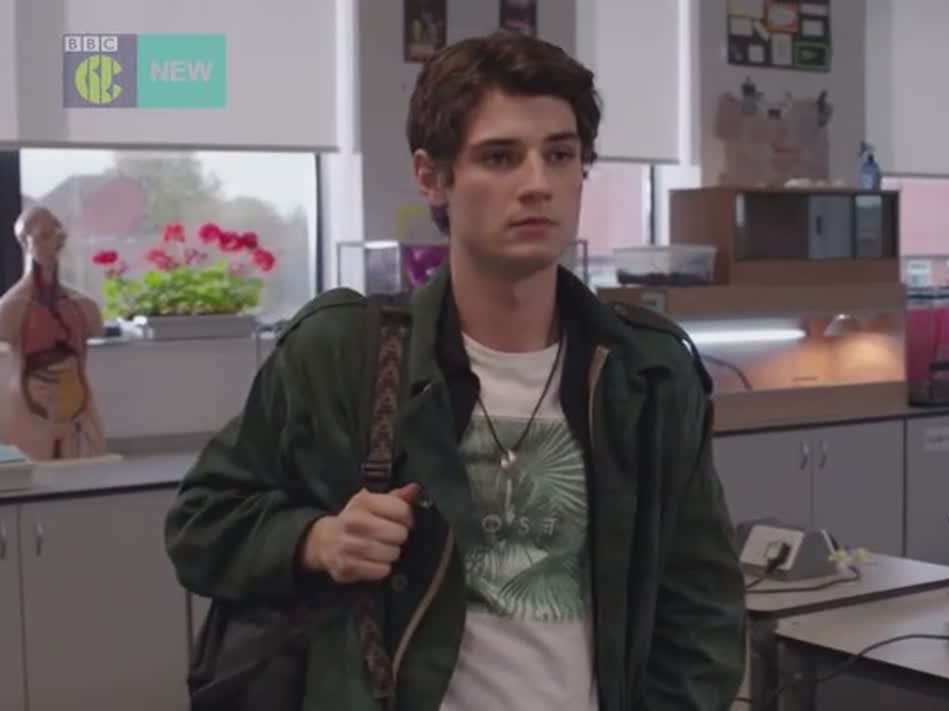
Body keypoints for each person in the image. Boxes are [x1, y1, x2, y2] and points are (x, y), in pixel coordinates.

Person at [165, 31, 746, 711]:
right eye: (500, 157)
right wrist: (318, 540)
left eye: (560, 155)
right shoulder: (343, 355)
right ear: (431, 176)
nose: (537, 184)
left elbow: (701, 610)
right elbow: (201, 525)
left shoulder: (647, 375)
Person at [0, 205, 107, 460]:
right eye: (44, 235)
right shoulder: (12, 309)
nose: (54, 242)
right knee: (34, 471)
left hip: (78, 414)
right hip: (27, 415)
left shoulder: (83, 307)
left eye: (58, 235)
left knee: (80, 473)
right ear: (26, 241)